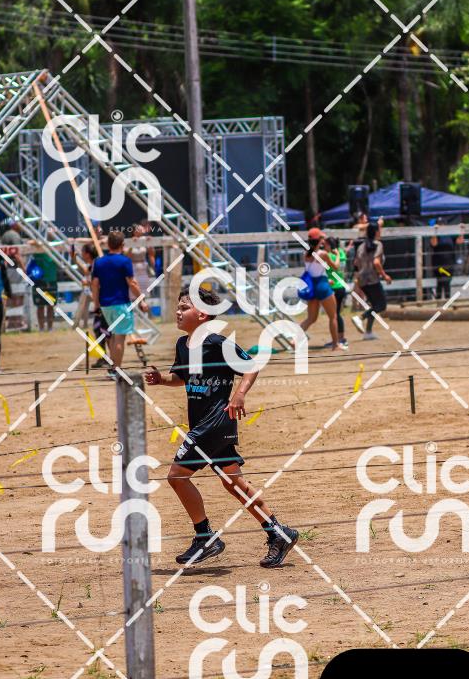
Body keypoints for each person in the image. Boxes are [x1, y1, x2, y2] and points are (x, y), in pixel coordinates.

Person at [144, 285, 298, 568]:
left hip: (213, 423)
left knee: (177, 477)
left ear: (203, 314)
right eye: (178, 307)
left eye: (184, 308)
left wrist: (239, 395)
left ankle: (205, 537)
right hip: (208, 424)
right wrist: (161, 379)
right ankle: (279, 533)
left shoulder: (217, 343)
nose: (178, 312)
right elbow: (181, 377)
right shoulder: (183, 345)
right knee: (233, 483)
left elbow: (251, 366)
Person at [91, 230, 148, 379]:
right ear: (122, 245)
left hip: (105, 305)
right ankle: (115, 370)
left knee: (111, 337)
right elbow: (132, 283)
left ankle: (113, 368)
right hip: (121, 304)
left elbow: (95, 284)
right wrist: (141, 300)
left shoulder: (98, 262)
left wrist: (96, 304)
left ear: (108, 244)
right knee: (119, 338)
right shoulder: (124, 261)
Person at [299, 228, 345, 352]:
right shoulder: (323, 254)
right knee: (333, 316)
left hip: (312, 287)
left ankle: (294, 340)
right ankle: (335, 345)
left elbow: (313, 271)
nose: (323, 240)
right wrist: (337, 255)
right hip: (322, 286)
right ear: (319, 240)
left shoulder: (305, 254)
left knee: (311, 318)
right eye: (322, 238)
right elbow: (335, 267)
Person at [354, 221, 392, 340]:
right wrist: (385, 276)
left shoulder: (361, 246)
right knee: (381, 305)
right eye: (379, 230)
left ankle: (368, 332)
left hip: (362, 280)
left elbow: (356, 263)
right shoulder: (378, 244)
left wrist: (357, 278)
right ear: (376, 232)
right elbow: (376, 262)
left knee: (374, 305)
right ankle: (360, 318)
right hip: (372, 279)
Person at [429, 219, 465, 301]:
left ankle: (447, 300)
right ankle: (439, 301)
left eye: (443, 224)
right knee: (439, 282)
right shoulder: (436, 235)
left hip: (449, 263)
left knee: (447, 282)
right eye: (439, 224)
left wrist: (461, 231)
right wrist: (435, 231)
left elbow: (460, 241)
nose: (441, 226)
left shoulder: (450, 235)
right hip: (438, 264)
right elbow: (434, 244)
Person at [1, 220, 25, 330]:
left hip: (6, 269)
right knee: (17, 294)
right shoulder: (15, 235)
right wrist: (23, 268)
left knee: (8, 295)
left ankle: (9, 321)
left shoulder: (5, 235)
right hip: (14, 269)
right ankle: (16, 321)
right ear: (14, 224)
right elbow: (16, 253)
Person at [325, 236, 349, 346]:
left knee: (334, 315)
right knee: (337, 314)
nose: (324, 247)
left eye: (325, 245)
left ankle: (338, 339)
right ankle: (340, 338)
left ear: (330, 245)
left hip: (333, 286)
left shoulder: (330, 256)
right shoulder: (342, 253)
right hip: (341, 286)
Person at [30, 249, 59, 331]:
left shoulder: (54, 246)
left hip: (51, 280)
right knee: (40, 306)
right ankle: (41, 328)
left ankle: (50, 328)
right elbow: (30, 243)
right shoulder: (38, 248)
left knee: (50, 306)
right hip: (39, 280)